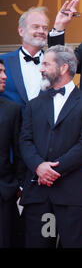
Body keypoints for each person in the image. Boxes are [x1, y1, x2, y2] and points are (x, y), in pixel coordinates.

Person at [19, 45, 82, 248]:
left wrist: (54, 169)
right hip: (38, 195)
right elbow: (25, 141)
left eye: (46, 64)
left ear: (64, 67)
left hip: (72, 195)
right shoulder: (34, 104)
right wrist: (39, 167)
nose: (41, 68)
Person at [0, 5, 69, 107]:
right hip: (13, 123)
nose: (41, 31)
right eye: (35, 27)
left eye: (45, 28)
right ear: (21, 31)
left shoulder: (56, 63)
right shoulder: (3, 61)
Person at [0, 59, 24, 247]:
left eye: (4, 71)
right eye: (0, 72)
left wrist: (17, 183)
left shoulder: (12, 109)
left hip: (4, 193)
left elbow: (19, 150)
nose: (4, 76)